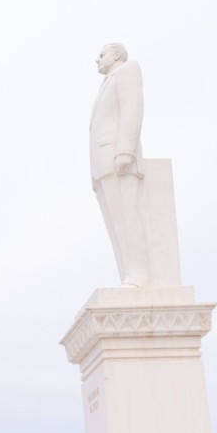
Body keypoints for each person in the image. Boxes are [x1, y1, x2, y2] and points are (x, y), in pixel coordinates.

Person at [89, 42, 149, 287]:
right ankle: (129, 273)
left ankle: (139, 274)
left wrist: (125, 150)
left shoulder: (127, 70)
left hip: (117, 156)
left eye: (102, 54)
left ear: (116, 55)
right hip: (102, 163)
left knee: (127, 215)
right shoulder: (106, 82)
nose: (97, 59)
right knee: (116, 222)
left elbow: (132, 109)